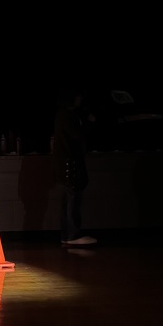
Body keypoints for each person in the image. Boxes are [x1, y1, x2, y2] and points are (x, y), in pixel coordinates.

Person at [52, 87, 97, 246]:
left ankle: (68, 234)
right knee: (72, 199)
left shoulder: (62, 116)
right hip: (70, 166)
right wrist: (89, 123)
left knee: (68, 199)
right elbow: (78, 136)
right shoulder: (67, 116)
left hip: (66, 165)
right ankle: (72, 234)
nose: (80, 100)